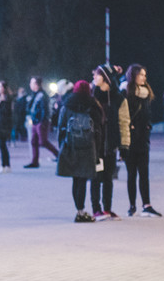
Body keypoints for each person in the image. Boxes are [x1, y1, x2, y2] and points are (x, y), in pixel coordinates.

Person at [57, 80, 104, 222]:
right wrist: (99, 148)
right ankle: (81, 212)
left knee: (75, 179)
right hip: (88, 147)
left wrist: (62, 145)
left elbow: (61, 126)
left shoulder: (67, 105)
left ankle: (79, 209)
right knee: (83, 179)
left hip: (72, 146)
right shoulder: (93, 104)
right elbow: (99, 129)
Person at [90, 65, 129, 220]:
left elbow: (124, 122)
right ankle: (96, 209)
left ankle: (107, 208)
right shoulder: (92, 97)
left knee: (108, 178)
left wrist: (124, 145)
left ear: (105, 78)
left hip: (110, 144)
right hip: (95, 145)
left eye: (97, 75)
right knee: (95, 177)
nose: (94, 77)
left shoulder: (118, 98)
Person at [123, 64, 162, 216]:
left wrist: (147, 127)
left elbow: (147, 115)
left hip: (143, 139)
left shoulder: (146, 93)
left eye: (145, 75)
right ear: (133, 76)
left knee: (144, 173)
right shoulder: (126, 93)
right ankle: (132, 205)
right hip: (131, 139)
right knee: (131, 174)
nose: (144, 78)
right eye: (141, 75)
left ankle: (147, 204)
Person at [25, 76, 59, 168]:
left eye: (32, 83)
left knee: (43, 142)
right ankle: (34, 162)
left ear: (36, 84)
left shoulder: (42, 95)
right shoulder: (35, 95)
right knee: (34, 141)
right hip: (35, 121)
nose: (30, 85)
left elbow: (45, 109)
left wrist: (43, 121)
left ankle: (58, 155)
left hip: (40, 121)